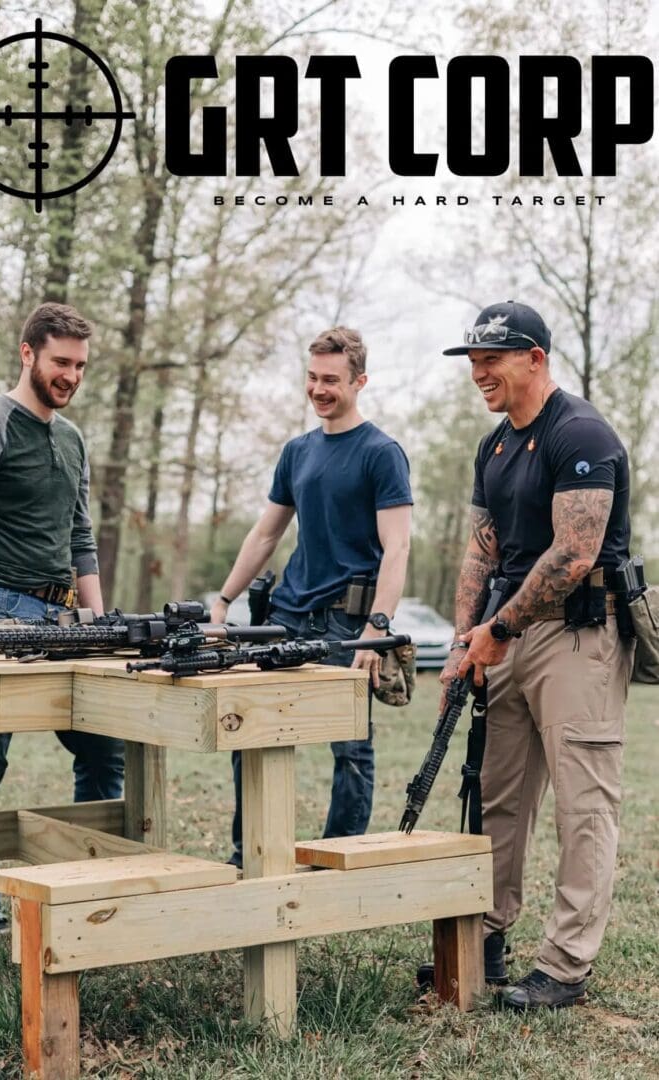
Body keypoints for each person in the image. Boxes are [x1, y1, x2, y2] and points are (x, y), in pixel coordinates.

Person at [439, 300, 633, 1009]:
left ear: (535, 359)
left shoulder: (578, 432)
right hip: (506, 638)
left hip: (577, 634)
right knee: (498, 797)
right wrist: (467, 641)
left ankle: (565, 967)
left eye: (492, 359)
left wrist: (496, 629)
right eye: (473, 360)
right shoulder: (493, 447)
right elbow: (479, 547)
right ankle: (485, 937)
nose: (479, 372)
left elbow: (575, 552)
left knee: (582, 806)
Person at [0, 302, 125, 936]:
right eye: (60, 362)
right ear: (28, 354)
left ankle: (86, 875)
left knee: (104, 748)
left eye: (79, 365)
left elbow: (81, 539)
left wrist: (100, 623)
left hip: (62, 619)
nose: (71, 375)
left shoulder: (72, 439)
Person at [209, 327, 413, 869]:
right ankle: (247, 855)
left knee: (349, 750)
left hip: (347, 626)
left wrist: (377, 628)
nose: (319, 389)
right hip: (285, 618)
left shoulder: (381, 453)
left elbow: (397, 549)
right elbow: (266, 534)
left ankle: (333, 864)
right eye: (312, 377)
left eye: (331, 380)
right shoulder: (297, 452)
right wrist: (224, 600)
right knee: (252, 733)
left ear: (359, 381)